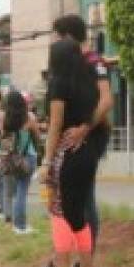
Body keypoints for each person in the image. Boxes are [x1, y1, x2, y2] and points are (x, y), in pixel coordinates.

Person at [35, 38, 105, 267]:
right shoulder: (87, 82)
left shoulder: (59, 83)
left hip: (66, 151)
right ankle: (70, 266)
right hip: (86, 150)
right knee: (71, 209)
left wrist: (46, 161)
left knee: (65, 210)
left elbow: (55, 125)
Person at [53, 13, 112, 244]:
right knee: (72, 198)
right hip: (75, 134)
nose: (55, 43)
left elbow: (106, 101)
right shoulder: (72, 63)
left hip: (92, 134)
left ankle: (86, 258)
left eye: (58, 37)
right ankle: (71, 255)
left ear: (68, 36)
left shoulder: (94, 61)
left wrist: (84, 128)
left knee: (84, 196)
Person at [0, 90, 39, 235]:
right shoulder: (29, 119)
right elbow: (37, 140)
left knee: (13, 192)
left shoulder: (4, 119)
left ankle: (14, 222)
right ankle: (20, 225)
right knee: (21, 191)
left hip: (11, 160)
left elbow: (2, 141)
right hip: (27, 159)